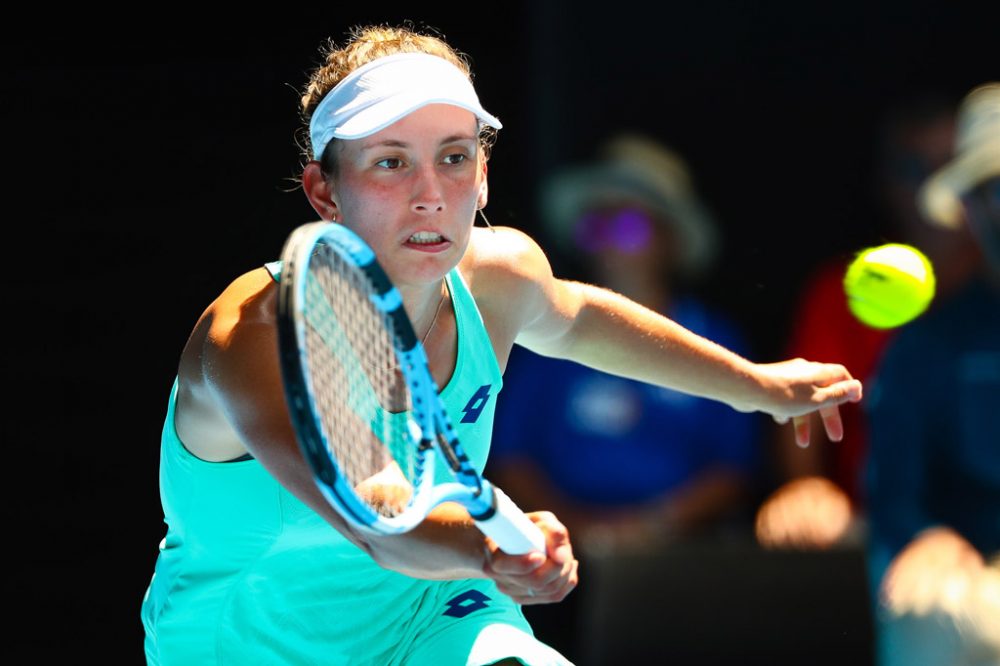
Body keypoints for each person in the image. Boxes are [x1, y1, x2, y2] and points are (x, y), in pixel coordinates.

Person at [140, 24, 863, 665]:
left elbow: (578, 318)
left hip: (434, 617)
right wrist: (490, 548)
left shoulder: (500, 276)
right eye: (390, 162)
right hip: (243, 643)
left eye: (454, 158)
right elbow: (382, 519)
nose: (431, 194)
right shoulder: (254, 340)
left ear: (483, 175)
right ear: (325, 193)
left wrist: (758, 386)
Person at [490, 134, 759, 550]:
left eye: (629, 227)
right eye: (596, 227)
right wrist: (576, 529)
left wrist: (653, 526)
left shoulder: (715, 336)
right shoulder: (541, 335)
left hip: (683, 553)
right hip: (555, 549)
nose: (610, 242)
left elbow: (733, 469)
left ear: (672, 241)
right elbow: (511, 457)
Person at [755, 93, 983, 551]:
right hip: (872, 537)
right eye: (913, 171)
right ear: (886, 183)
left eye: (948, 169)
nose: (930, 191)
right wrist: (806, 488)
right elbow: (799, 410)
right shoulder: (836, 293)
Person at [866, 82, 1000, 665]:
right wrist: (927, 537)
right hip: (976, 576)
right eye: (994, 190)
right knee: (928, 607)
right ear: (969, 209)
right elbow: (896, 496)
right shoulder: (925, 347)